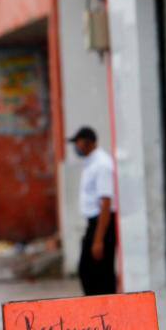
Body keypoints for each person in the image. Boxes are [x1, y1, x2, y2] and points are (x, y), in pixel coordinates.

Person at [70, 126, 117, 295]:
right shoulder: (91, 163)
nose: (76, 147)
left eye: (77, 142)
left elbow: (106, 203)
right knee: (89, 272)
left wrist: (98, 240)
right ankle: (96, 307)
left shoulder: (102, 164)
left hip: (102, 223)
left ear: (87, 142)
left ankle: (107, 308)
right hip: (94, 223)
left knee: (98, 274)